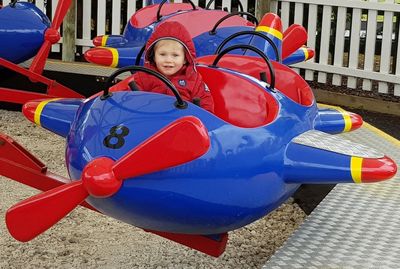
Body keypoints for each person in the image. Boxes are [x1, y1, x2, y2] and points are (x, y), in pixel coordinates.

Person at [112, 21, 214, 113]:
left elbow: (206, 104)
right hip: (152, 124)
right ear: (154, 56)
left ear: (185, 59)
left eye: (175, 55)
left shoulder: (193, 79)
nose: (168, 60)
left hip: (183, 126)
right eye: (162, 54)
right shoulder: (143, 77)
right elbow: (128, 101)